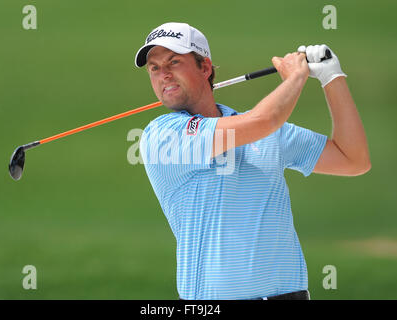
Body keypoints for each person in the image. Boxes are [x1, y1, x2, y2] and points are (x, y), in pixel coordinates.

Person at [135, 22, 370, 300]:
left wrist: (332, 77)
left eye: (174, 62)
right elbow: (264, 119)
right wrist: (295, 77)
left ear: (205, 68)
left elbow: (353, 159)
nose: (164, 75)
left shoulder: (270, 134)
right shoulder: (162, 135)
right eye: (155, 68)